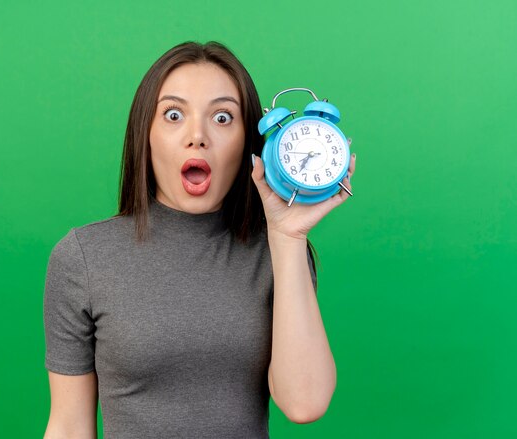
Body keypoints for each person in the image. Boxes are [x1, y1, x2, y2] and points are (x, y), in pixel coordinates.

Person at [43, 41, 356, 439]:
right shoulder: (84, 259)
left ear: (248, 144)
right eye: (173, 115)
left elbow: (304, 403)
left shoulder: (278, 252)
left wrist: (288, 236)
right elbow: (69, 426)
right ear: (147, 135)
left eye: (223, 117)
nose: (198, 136)